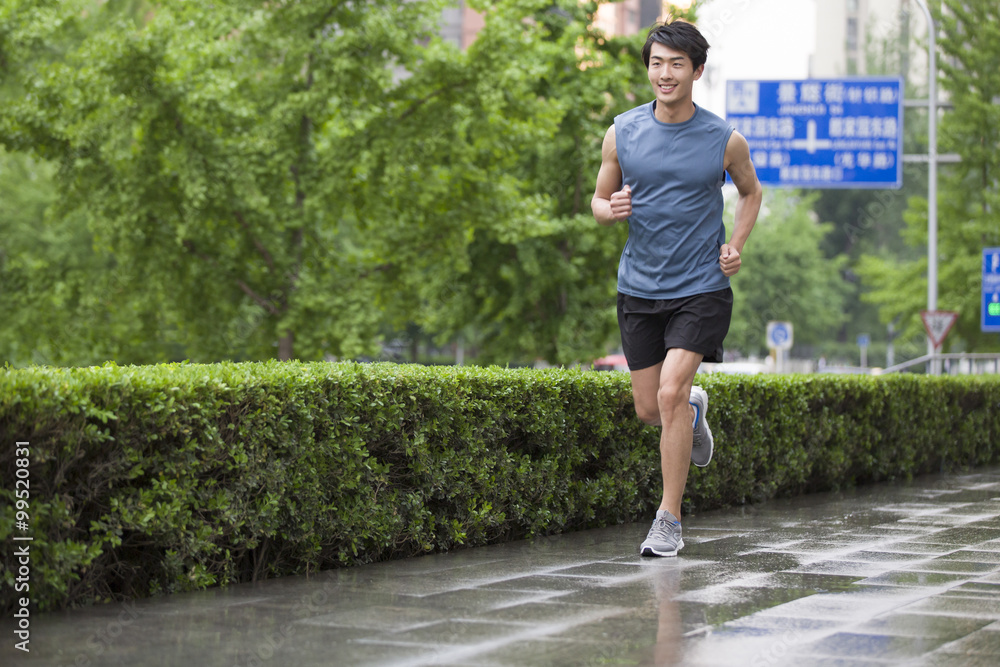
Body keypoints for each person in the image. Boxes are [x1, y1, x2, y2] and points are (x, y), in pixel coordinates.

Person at [591, 20, 762, 557]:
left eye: (676, 64)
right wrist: (608, 209)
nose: (664, 74)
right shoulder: (621, 131)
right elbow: (598, 200)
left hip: (701, 286)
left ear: (697, 71)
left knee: (669, 392)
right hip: (639, 287)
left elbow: (751, 193)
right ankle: (692, 411)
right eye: (656, 63)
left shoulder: (724, 139)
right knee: (651, 409)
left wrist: (735, 243)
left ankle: (669, 520)